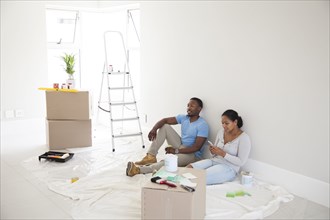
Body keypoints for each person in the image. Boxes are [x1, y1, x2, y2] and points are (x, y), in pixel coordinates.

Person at [126, 97, 209, 177]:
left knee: (169, 161)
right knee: (165, 126)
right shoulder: (184, 118)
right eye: (188, 105)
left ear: (199, 109)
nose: (188, 108)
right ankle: (151, 156)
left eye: (192, 106)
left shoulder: (202, 125)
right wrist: (154, 129)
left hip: (192, 154)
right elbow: (165, 120)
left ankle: (138, 170)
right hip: (181, 145)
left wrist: (176, 151)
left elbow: (196, 147)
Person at [187, 109, 251, 185]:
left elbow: (241, 162)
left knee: (200, 177)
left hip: (229, 167)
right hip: (214, 160)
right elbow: (214, 153)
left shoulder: (244, 138)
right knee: (189, 168)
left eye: (227, 123)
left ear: (235, 122)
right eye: (222, 123)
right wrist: (212, 151)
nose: (224, 126)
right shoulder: (221, 132)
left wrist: (223, 154)